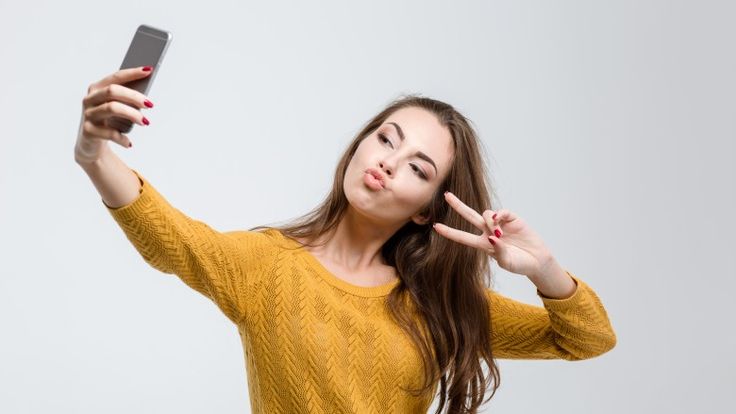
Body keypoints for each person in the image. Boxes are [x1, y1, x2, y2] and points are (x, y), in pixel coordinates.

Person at [75, 66, 617, 414]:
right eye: (387, 138)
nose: (388, 161)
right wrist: (94, 154)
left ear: (429, 208)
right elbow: (172, 239)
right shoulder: (268, 266)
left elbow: (587, 339)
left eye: (418, 168)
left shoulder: (437, 304)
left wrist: (542, 268)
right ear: (361, 143)